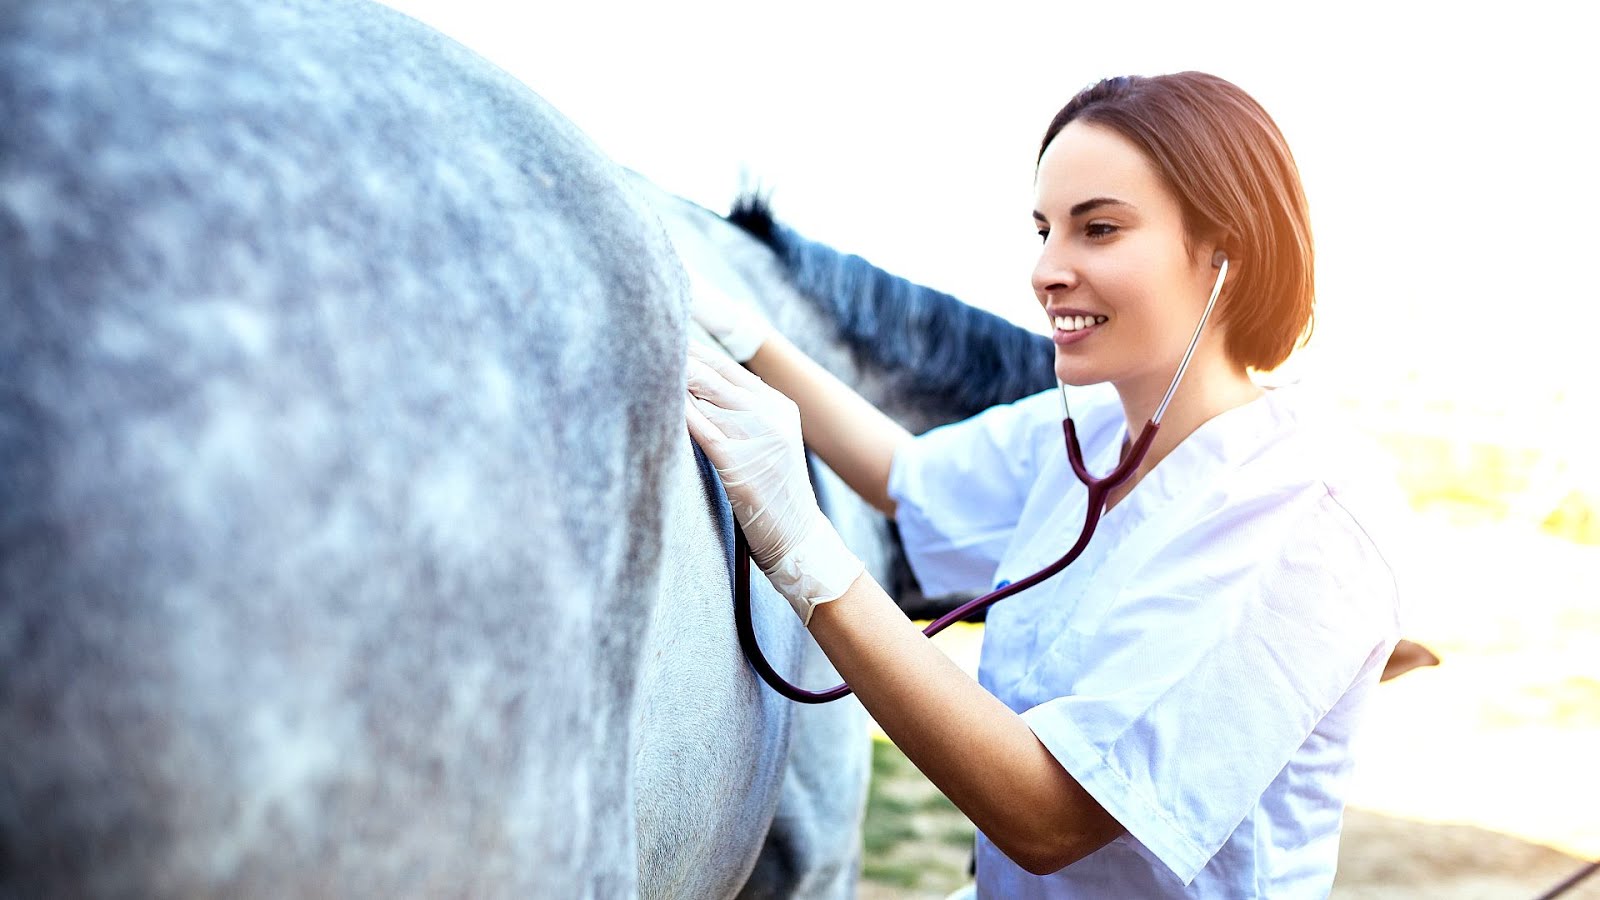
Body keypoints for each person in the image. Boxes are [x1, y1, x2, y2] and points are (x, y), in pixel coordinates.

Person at [684, 71, 1401, 897]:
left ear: (1223, 254)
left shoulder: (1305, 514)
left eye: (1098, 229)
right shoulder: (1090, 430)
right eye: (1043, 229)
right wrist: (739, 330)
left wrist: (804, 548)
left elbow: (1048, 816)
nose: (1047, 270)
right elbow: (904, 477)